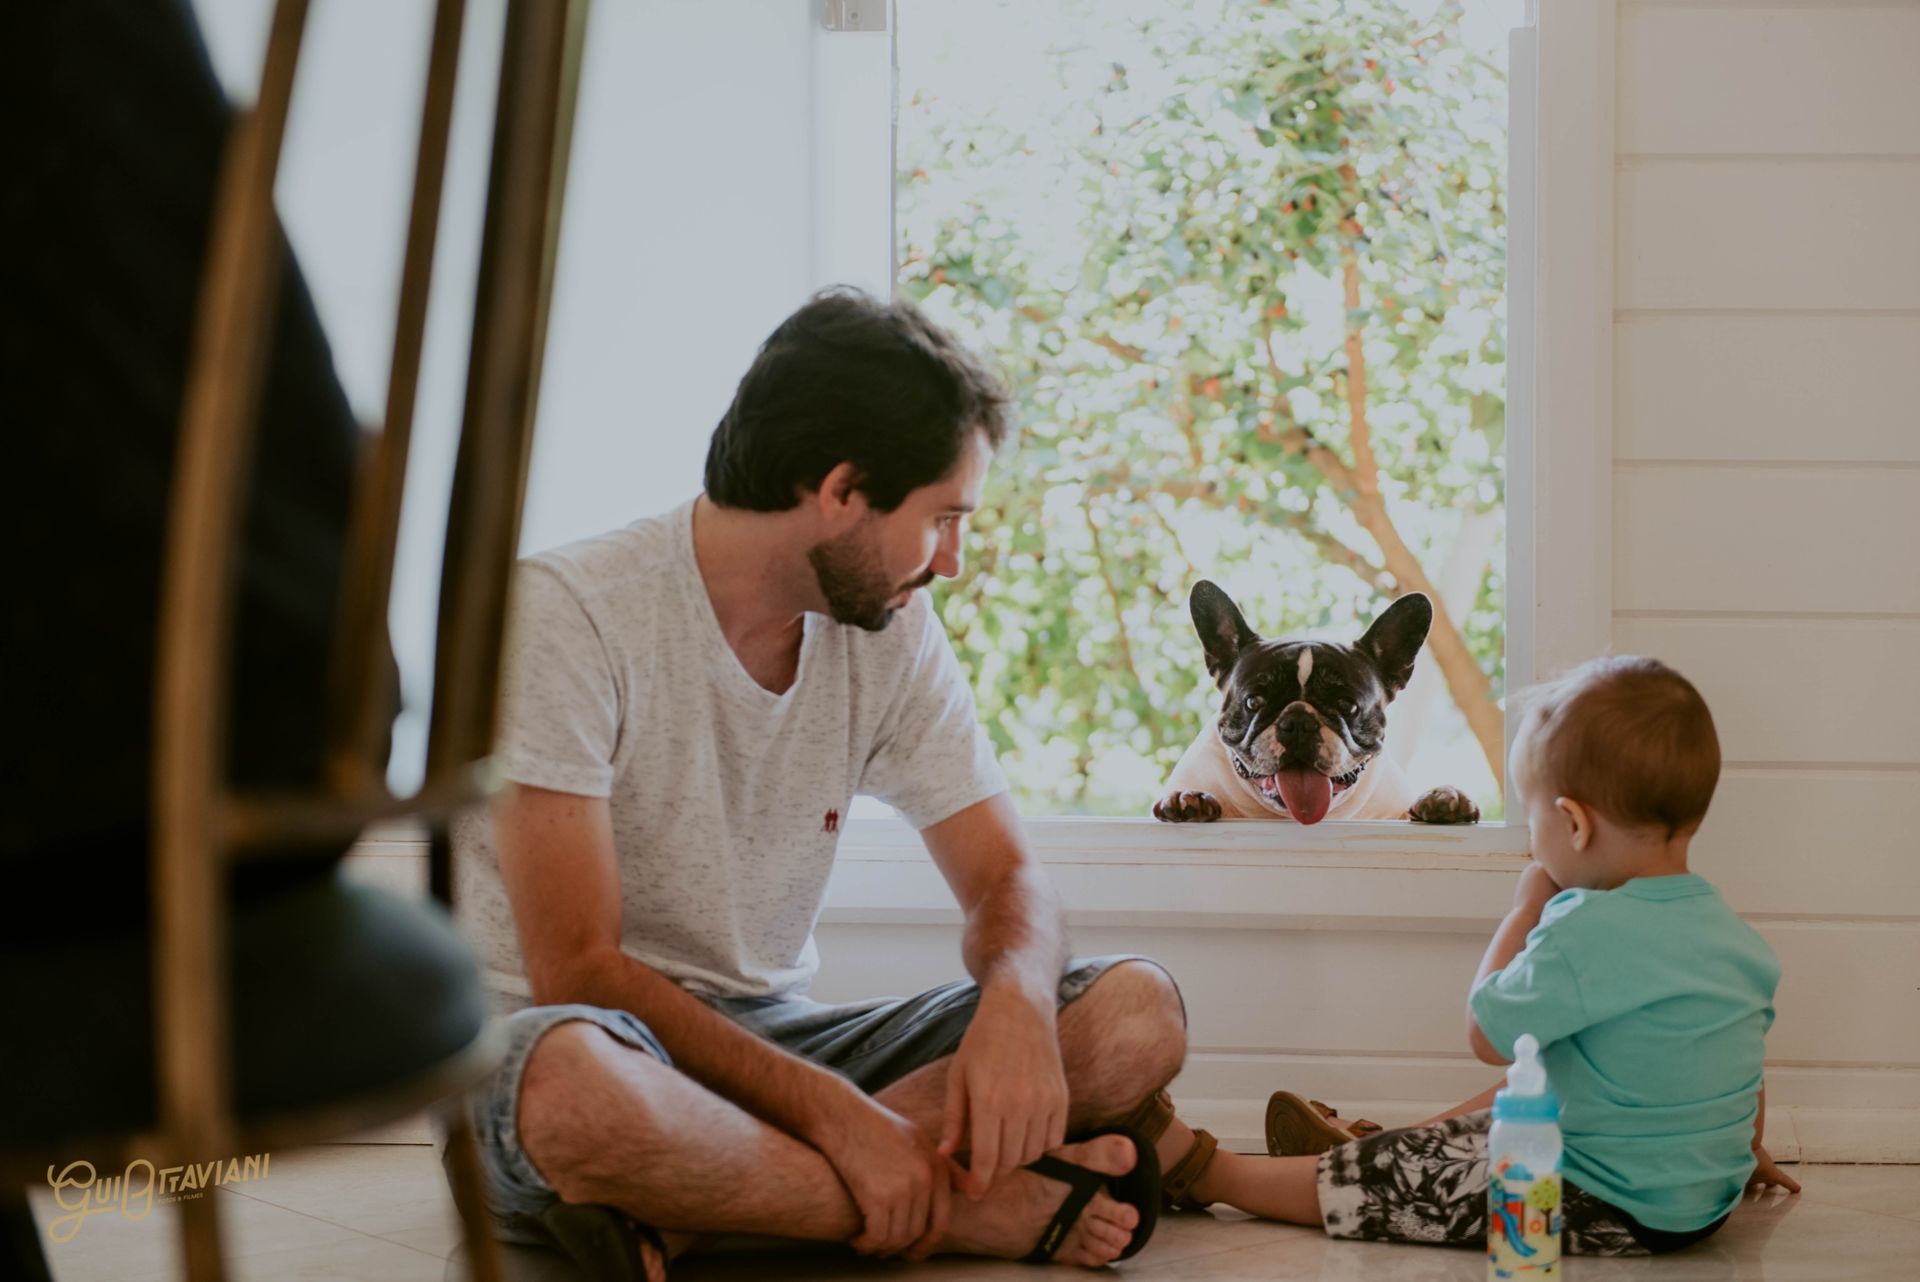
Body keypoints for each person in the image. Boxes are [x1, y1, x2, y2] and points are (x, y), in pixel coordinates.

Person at [451, 289, 1211, 1279]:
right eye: (942, 518)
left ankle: (708, 1211)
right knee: (565, 1091)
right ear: (844, 490)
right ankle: (956, 1209)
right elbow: (578, 971)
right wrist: (840, 1120)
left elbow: (1004, 878)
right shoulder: (563, 614)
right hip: (579, 1043)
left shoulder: (889, 633)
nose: (954, 560)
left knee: (1133, 1014)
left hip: (779, 1036)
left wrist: (1019, 1003)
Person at [1140, 656, 1800, 1255]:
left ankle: (1213, 1172)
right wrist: (1747, 1153)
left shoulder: (1583, 928)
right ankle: (1388, 1141)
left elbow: (1488, 1032)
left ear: (1573, 824)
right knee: (1552, 1072)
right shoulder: (1733, 938)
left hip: (1599, 1206)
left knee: (1388, 1186)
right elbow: (1741, 1062)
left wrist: (1525, 911)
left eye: (1537, 822)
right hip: (1702, 1206)